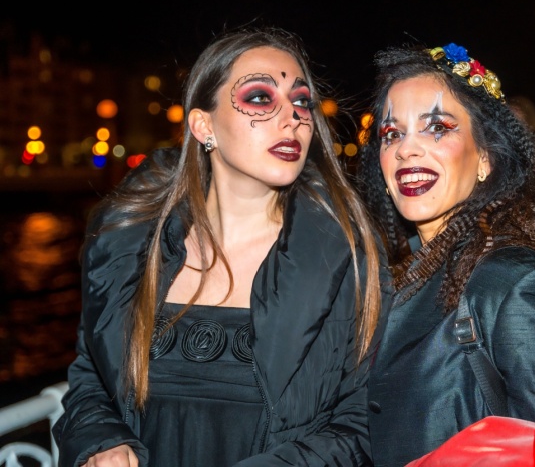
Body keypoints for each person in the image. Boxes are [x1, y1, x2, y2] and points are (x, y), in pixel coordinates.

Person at [52, 26, 390, 467]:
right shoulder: (129, 250)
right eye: (260, 98)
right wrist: (102, 442)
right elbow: (91, 381)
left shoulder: (348, 256)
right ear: (203, 125)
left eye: (302, 101)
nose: (292, 117)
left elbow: (363, 418)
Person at [355, 42, 535, 467]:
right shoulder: (394, 274)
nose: (406, 148)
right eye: (392, 133)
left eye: (436, 127)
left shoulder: (517, 289)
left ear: (485, 158)